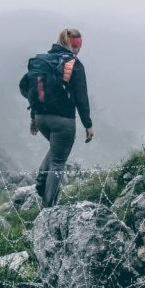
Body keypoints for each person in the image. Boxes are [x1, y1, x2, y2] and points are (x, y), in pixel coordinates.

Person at [26, 28, 94, 208]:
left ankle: (41, 180)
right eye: (78, 46)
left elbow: (31, 88)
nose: (79, 49)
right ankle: (48, 209)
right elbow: (81, 97)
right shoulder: (74, 64)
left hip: (41, 119)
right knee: (58, 162)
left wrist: (33, 117)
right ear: (75, 45)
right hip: (63, 121)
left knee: (56, 151)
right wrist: (88, 124)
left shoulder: (43, 61)